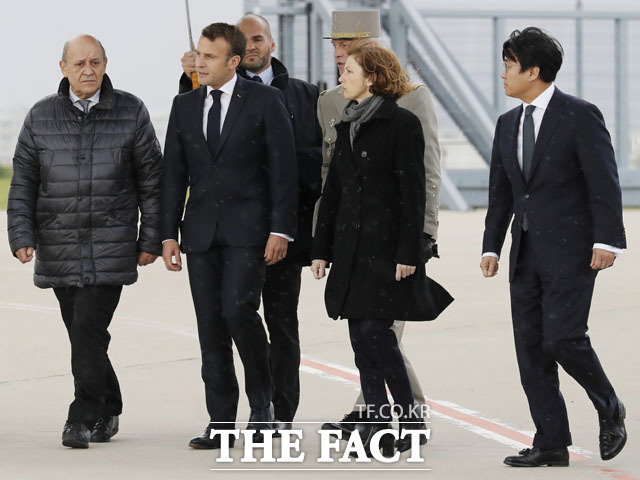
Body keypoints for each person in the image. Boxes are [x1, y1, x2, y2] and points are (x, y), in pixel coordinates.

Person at [480, 27, 627, 467]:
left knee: (563, 338)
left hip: (573, 250)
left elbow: (604, 181)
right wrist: (491, 246)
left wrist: (608, 240)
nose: (502, 74)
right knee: (530, 347)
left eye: (508, 66)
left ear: (533, 70)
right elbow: (502, 191)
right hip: (524, 251)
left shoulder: (579, 115)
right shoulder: (508, 123)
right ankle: (551, 442)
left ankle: (609, 405)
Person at [7, 35, 162, 449]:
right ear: (63, 68)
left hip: (110, 245)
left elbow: (152, 181)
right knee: (84, 335)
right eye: (79, 64)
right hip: (58, 246)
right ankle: (110, 405)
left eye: (95, 62)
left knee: (87, 330)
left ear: (106, 63)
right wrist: (20, 235)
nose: (88, 70)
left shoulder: (131, 111)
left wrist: (151, 237)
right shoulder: (40, 116)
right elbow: (23, 182)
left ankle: (81, 415)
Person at [178, 14, 322, 433]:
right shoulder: (204, 92)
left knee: (278, 320)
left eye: (258, 38)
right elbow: (195, 145)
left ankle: (279, 410)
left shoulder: (301, 95)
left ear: (270, 44)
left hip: (280, 232)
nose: (253, 45)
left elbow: (304, 165)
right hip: (221, 230)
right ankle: (227, 417)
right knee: (224, 317)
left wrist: (286, 226)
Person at [311, 43, 453, 458]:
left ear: (371, 77)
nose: (341, 76)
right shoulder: (344, 125)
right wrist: (321, 249)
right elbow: (333, 193)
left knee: (377, 333)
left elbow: (413, 193)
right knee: (360, 336)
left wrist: (411, 252)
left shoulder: (402, 124)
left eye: (349, 70)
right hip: (351, 250)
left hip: (387, 251)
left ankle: (407, 416)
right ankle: (374, 421)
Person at [160, 23, 298, 449]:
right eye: (198, 54)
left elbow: (284, 169)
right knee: (210, 327)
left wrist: (282, 229)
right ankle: (220, 422)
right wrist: (166, 234)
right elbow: (172, 175)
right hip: (199, 233)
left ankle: (262, 406)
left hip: (250, 232)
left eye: (210, 56)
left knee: (239, 312)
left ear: (233, 62)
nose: (200, 62)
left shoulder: (264, 100)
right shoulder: (183, 105)